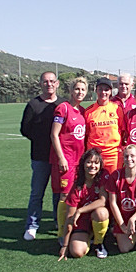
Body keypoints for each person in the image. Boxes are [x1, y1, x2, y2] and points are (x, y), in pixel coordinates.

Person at [20, 71, 65, 241]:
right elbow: (25, 129)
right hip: (40, 157)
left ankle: (57, 221)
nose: (49, 84)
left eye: (52, 81)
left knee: (57, 192)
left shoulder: (63, 104)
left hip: (59, 157)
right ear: (40, 84)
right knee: (37, 192)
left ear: (57, 83)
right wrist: (40, 140)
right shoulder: (33, 104)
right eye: (45, 81)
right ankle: (32, 225)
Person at [50, 77, 88, 245]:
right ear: (71, 90)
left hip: (78, 161)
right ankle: (62, 231)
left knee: (74, 194)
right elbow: (54, 135)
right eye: (77, 89)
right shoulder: (63, 108)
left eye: (83, 90)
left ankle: (72, 226)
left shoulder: (82, 111)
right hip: (66, 161)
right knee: (64, 195)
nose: (80, 92)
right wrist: (61, 157)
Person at [58, 148, 110, 260]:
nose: (92, 166)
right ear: (83, 164)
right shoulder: (77, 186)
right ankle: (88, 238)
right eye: (89, 162)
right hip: (81, 221)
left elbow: (102, 200)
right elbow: (70, 217)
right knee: (77, 252)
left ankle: (98, 243)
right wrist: (65, 245)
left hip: (96, 216)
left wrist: (80, 210)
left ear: (100, 165)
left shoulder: (103, 176)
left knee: (101, 212)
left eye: (96, 163)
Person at [84, 77, 125, 174]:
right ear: (96, 91)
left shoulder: (117, 109)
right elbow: (86, 135)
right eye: (100, 89)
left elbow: (123, 131)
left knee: (113, 186)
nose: (103, 92)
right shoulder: (88, 111)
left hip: (113, 156)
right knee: (95, 187)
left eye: (106, 90)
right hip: (95, 156)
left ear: (111, 91)